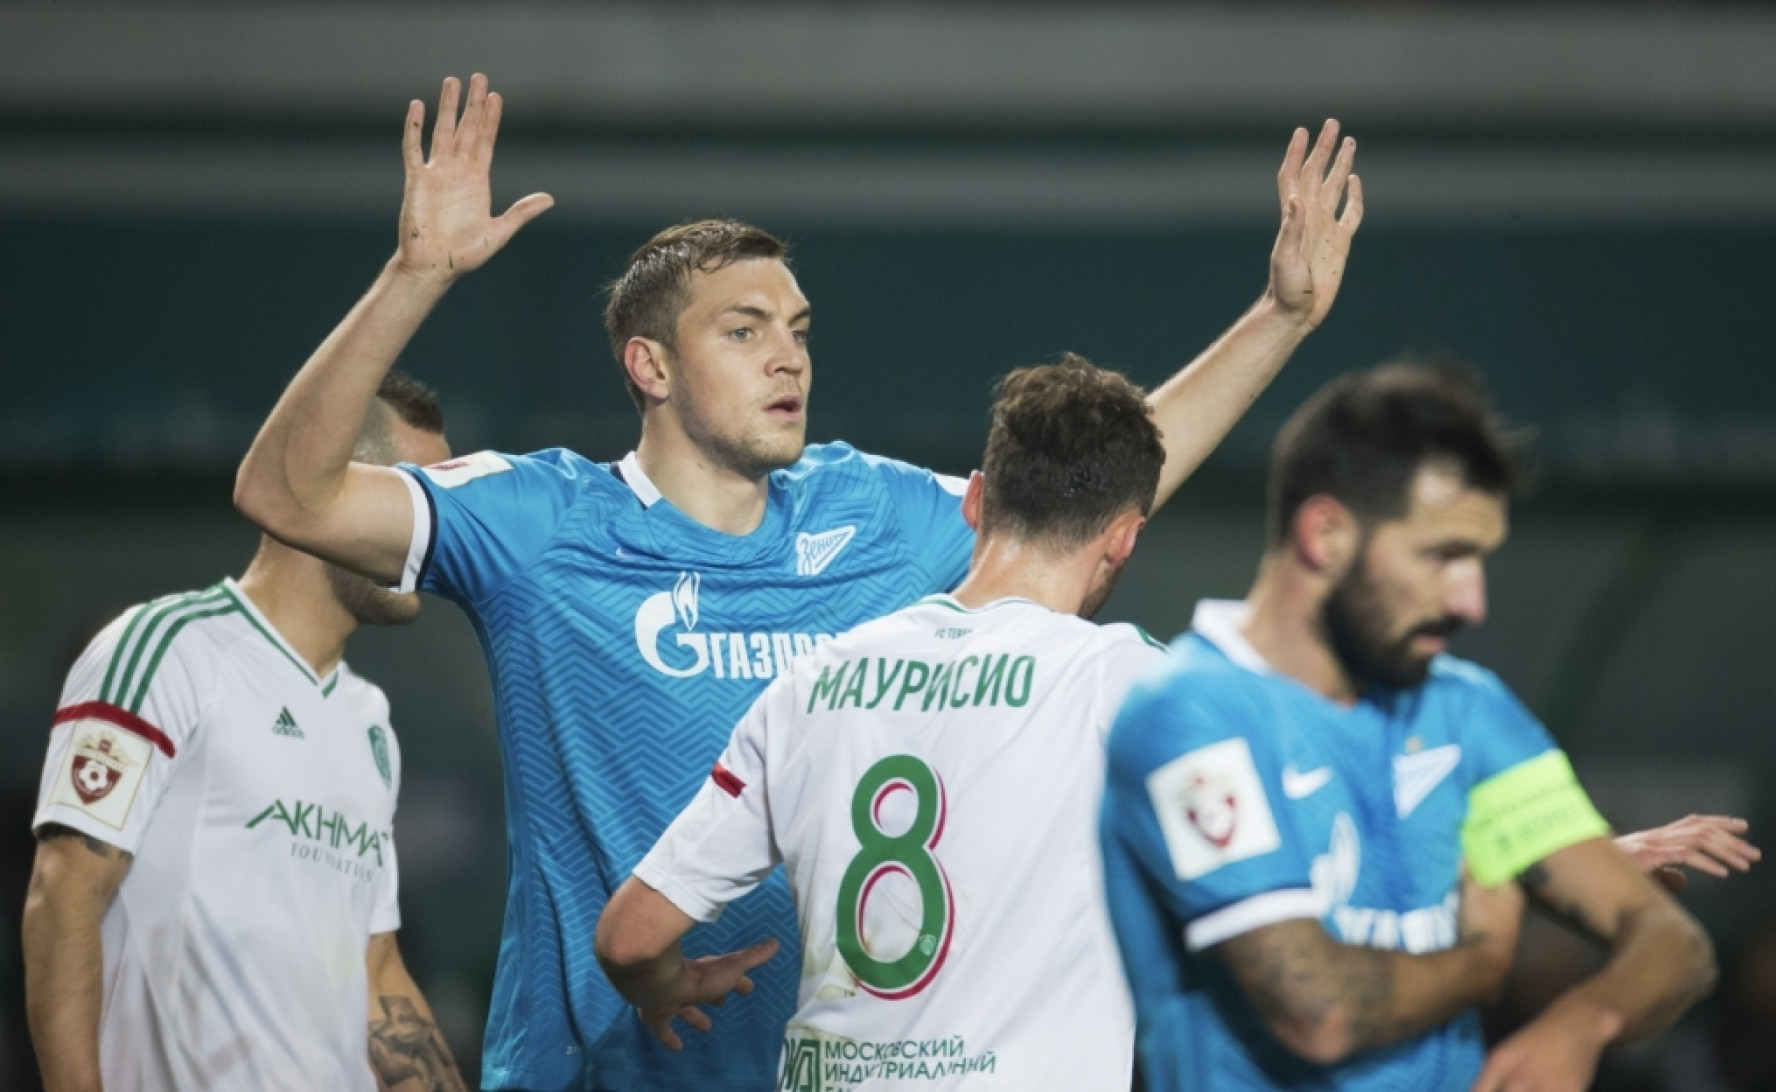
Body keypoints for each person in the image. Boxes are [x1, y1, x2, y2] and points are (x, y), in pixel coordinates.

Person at [232, 72, 1363, 1091]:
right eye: (744, 330)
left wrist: (1281, 319)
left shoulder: (869, 512)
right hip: (594, 1072)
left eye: (799, 329)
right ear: (650, 365)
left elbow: (1087, 493)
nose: (789, 355)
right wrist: (414, 276)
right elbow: (284, 494)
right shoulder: (539, 522)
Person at [594, 356, 1273, 1090]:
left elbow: (629, 940)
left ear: (975, 500)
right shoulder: (1126, 682)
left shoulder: (811, 681)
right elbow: (1259, 922)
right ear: (1124, 539)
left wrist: (664, 986)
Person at [1099, 362, 1721, 1092]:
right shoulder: (1188, 713)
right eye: (1442, 556)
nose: (1470, 601)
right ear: (1326, 534)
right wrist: (1484, 956)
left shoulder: (1466, 708)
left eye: (1479, 560)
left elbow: (1670, 941)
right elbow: (1318, 1011)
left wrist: (1584, 1023)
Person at [23, 374, 464, 1092]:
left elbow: (377, 972)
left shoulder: (369, 721)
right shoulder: (165, 649)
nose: (434, 537)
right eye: (410, 503)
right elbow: (66, 890)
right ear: (322, 489)